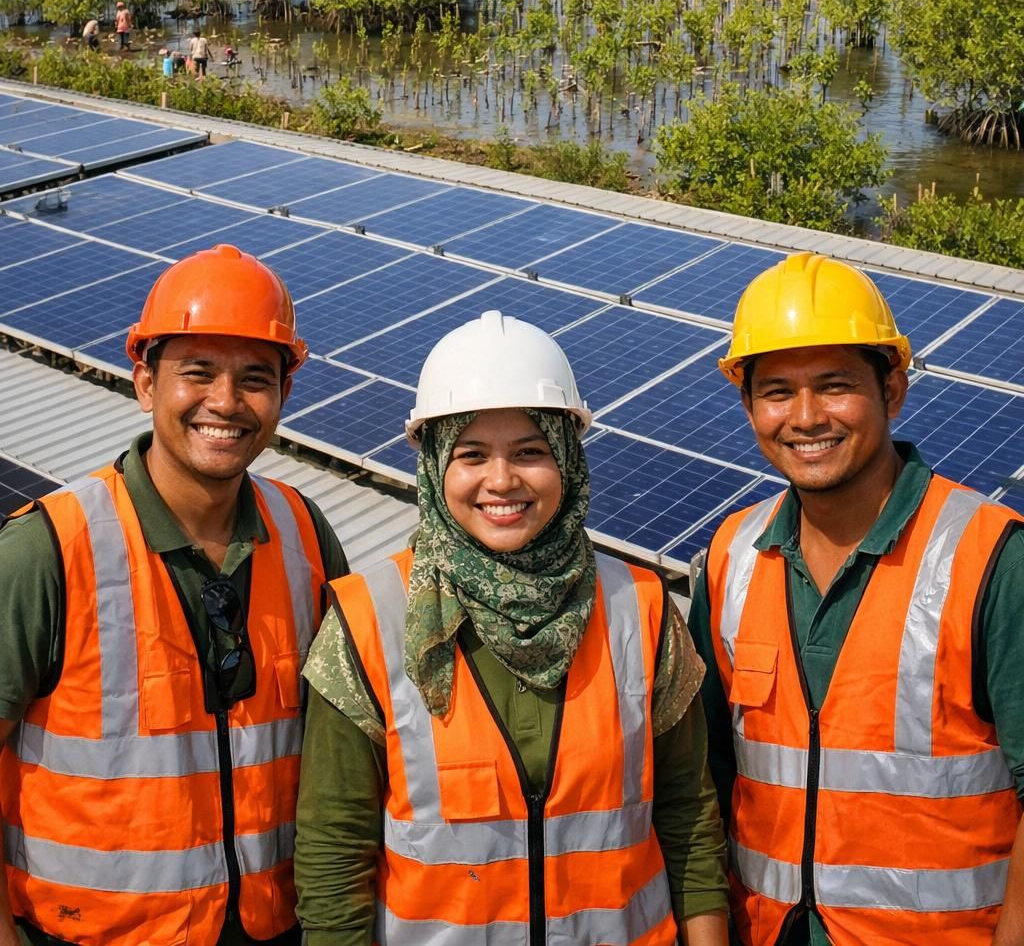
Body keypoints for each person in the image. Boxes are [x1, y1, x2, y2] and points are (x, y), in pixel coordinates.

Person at [295, 310, 729, 946]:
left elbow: (689, 816)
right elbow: (334, 854)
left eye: (530, 452)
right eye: (472, 455)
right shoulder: (369, 619)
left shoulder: (643, 608)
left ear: (568, 461)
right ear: (436, 466)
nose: (502, 481)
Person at [0, 243, 347, 946]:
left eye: (256, 378)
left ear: (283, 395)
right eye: (198, 372)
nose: (226, 402)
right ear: (143, 380)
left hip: (269, 931)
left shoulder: (304, 534)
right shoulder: (49, 552)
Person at [688, 252, 1024, 946]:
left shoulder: (992, 558)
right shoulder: (732, 555)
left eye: (835, 385)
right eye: (777, 391)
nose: (806, 418)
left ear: (892, 388)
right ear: (748, 403)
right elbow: (708, 772)